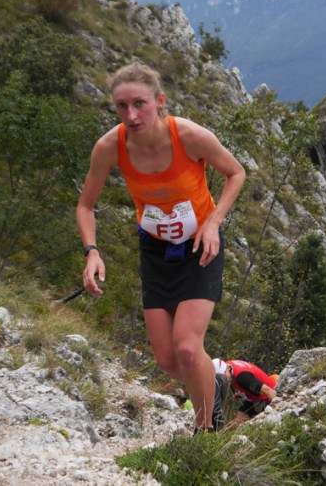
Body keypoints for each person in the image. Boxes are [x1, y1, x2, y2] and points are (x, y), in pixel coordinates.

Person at [77, 62, 245, 434]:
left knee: (187, 348)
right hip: (155, 251)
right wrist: (92, 251)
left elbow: (236, 173)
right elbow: (85, 205)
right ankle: (216, 381)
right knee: (169, 360)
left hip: (200, 246)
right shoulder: (110, 147)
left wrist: (214, 222)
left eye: (140, 103)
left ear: (160, 101)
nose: (131, 115)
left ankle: (206, 432)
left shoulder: (189, 136)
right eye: (121, 106)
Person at [213, 358, 278, 422]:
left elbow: (268, 391)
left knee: (240, 421)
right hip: (253, 395)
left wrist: (279, 411)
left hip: (268, 395)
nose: (225, 380)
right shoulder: (228, 365)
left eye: (224, 377)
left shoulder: (242, 378)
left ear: (227, 368)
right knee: (238, 421)